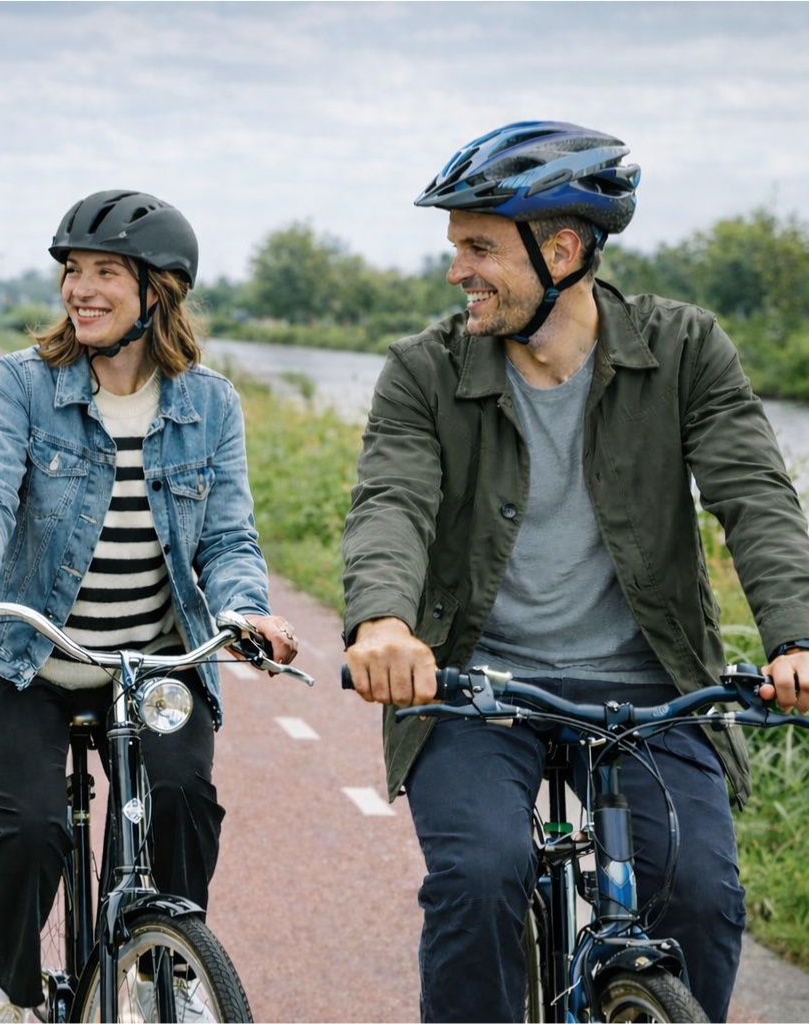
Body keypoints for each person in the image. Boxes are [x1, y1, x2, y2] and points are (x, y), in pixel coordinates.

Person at [340, 121, 809, 1023]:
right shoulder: (423, 373)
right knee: (480, 876)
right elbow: (391, 502)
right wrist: (385, 626)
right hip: (474, 687)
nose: (455, 271)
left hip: (651, 685)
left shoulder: (685, 351)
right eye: (454, 247)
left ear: (561, 250)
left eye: (478, 248)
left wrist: (794, 636)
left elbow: (755, 496)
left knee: (702, 900)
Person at [0, 189, 300, 1023]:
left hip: (151, 665)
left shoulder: (211, 404)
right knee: (29, 832)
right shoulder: (23, 384)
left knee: (184, 800)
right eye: (71, 272)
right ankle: (9, 991)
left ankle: (170, 968)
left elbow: (228, 539)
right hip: (27, 663)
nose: (79, 289)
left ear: (156, 291)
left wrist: (249, 612)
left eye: (104, 273)